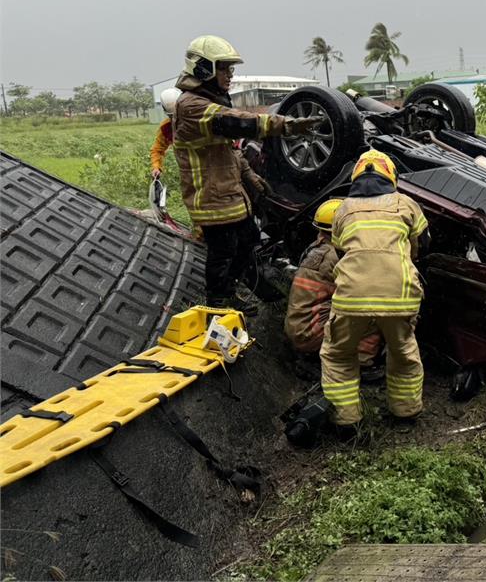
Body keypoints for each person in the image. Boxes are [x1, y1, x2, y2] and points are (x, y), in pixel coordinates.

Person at [173, 34, 321, 312]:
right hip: (211, 199)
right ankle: (218, 304)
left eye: (231, 68)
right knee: (222, 254)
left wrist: (251, 178)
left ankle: (229, 293)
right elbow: (239, 122)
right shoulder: (192, 106)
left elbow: (230, 150)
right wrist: (286, 125)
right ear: (203, 68)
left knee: (248, 242)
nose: (230, 74)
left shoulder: (210, 102)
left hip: (229, 195)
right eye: (224, 68)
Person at [322, 149, 429, 430]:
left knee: (338, 353)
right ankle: (405, 415)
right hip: (400, 295)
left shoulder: (342, 208)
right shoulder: (407, 204)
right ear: (390, 176)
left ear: (355, 177)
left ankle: (346, 422)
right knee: (403, 352)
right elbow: (422, 246)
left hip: (351, 296)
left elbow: (339, 251)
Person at [285, 198, 382, 371]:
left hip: (301, 327)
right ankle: (359, 365)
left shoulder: (320, 248)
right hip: (309, 333)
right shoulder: (333, 258)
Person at [150, 88, 181, 179]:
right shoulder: (166, 127)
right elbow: (157, 150)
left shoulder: (199, 121)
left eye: (178, 114)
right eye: (171, 116)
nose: (175, 119)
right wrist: (156, 167)